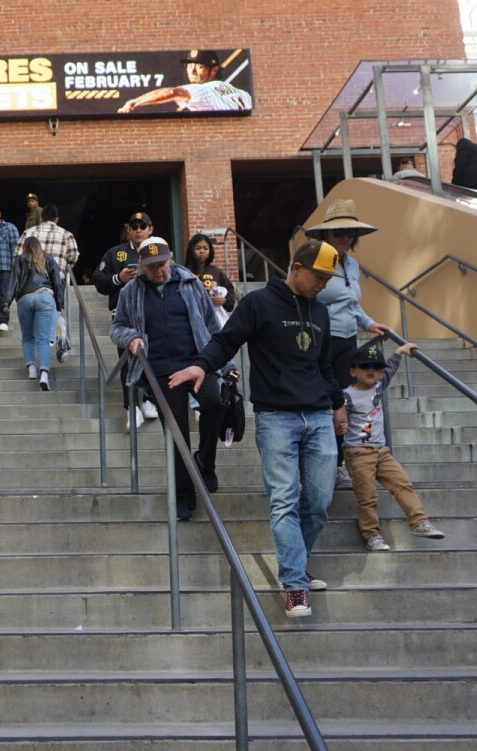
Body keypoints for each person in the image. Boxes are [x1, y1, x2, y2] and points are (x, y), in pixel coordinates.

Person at [173, 239, 347, 617]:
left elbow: (325, 365)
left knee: (319, 503)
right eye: (319, 276)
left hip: (318, 414)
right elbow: (226, 340)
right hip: (277, 417)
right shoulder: (259, 303)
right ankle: (295, 586)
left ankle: (297, 564)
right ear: (296, 268)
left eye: (328, 278)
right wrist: (202, 365)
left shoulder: (321, 311)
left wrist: (337, 404)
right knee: (284, 500)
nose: (323, 284)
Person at [110, 238, 225, 523]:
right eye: (150, 268)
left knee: (215, 404)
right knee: (176, 431)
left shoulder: (190, 283)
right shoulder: (131, 291)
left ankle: (206, 462)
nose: (157, 272)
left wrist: (225, 362)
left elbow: (212, 324)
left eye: (161, 265)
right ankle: (183, 496)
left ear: (170, 259)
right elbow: (117, 327)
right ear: (141, 266)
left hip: (197, 362)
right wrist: (131, 338)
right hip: (161, 370)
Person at [304, 200, 390, 489]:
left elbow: (352, 302)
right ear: (326, 234)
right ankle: (313, 465)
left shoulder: (352, 264)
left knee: (343, 405)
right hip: (320, 339)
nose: (343, 236)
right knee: (323, 402)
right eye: (337, 231)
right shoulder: (316, 259)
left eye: (349, 232)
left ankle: (337, 465)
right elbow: (307, 296)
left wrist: (368, 323)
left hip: (348, 340)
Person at [342, 340, 445, 551]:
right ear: (353, 371)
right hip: (358, 453)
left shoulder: (379, 386)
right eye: (365, 366)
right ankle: (372, 534)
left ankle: (419, 521)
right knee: (367, 495)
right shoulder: (346, 396)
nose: (371, 370)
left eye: (376, 367)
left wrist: (399, 352)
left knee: (402, 483)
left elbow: (391, 368)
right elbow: (337, 418)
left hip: (382, 451)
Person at [92, 212, 158, 427]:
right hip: (124, 316)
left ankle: (149, 400)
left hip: (152, 313)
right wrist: (118, 278)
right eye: (134, 226)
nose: (138, 229)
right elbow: (99, 280)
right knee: (127, 361)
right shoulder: (116, 253)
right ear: (128, 230)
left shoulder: (158, 251)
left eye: (143, 225)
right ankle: (131, 407)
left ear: (150, 229)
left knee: (153, 357)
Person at [117, 49, 252, 113]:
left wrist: (134, 102)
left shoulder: (204, 91)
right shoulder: (242, 93)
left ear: (214, 70)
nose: (192, 71)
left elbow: (172, 92)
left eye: (199, 66)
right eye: (189, 66)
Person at [10, 236, 65, 391]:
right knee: (43, 339)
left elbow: (13, 281)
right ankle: (44, 374)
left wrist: (6, 302)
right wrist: (60, 303)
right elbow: (57, 282)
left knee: (28, 337)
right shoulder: (48, 258)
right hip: (45, 296)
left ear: (25, 247)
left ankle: (31, 369)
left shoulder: (20, 259)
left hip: (25, 299)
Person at [19, 205, 80, 284]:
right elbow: (73, 257)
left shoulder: (28, 233)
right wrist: (63, 269)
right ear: (56, 220)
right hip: (57, 279)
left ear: (41, 218)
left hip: (31, 281)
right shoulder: (67, 235)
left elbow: (18, 256)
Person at [185, 233, 236, 312]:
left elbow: (230, 292)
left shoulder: (217, 272)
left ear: (210, 250)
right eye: (198, 248)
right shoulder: (185, 272)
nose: (202, 251)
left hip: (213, 318)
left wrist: (224, 301)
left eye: (205, 248)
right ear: (191, 250)